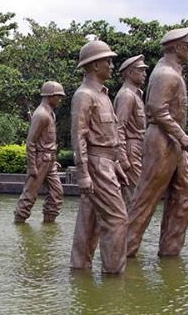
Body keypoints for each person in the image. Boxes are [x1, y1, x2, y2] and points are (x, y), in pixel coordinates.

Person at [126, 27, 188, 257]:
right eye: (187, 46)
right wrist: (181, 136)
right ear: (175, 48)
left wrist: (181, 150)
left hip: (173, 144)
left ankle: (170, 251)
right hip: (162, 141)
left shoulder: (174, 72)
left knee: (186, 192)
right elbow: (157, 110)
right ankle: (122, 252)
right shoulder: (166, 73)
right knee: (146, 198)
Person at [70, 40, 129, 274]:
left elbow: (108, 136)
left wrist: (116, 163)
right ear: (95, 65)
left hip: (106, 163)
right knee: (117, 219)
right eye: (108, 61)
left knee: (90, 219)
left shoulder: (102, 95)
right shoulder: (84, 95)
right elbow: (79, 137)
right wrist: (83, 174)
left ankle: (80, 267)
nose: (112, 65)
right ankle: (114, 277)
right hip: (95, 165)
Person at [14, 81, 65, 223]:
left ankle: (49, 224)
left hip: (49, 161)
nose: (59, 100)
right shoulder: (41, 114)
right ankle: (19, 222)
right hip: (40, 160)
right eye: (57, 97)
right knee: (30, 194)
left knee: (57, 193)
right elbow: (31, 142)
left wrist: (54, 160)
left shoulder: (50, 113)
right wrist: (32, 166)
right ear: (50, 96)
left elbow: (48, 141)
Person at [114, 55, 148, 209]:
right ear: (129, 73)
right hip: (130, 149)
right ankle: (127, 232)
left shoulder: (136, 95)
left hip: (137, 148)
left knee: (135, 195)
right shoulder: (127, 96)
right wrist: (123, 158)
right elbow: (119, 127)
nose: (144, 74)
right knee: (134, 197)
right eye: (140, 70)